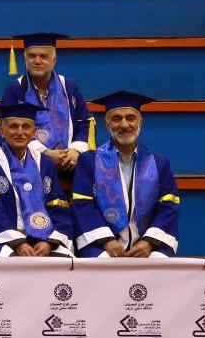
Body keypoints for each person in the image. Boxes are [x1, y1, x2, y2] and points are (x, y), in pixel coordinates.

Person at [71, 91, 180, 258]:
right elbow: (83, 204)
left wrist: (148, 242)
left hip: (148, 244)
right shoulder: (89, 161)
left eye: (130, 118)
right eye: (116, 119)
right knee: (101, 262)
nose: (124, 125)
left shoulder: (159, 164)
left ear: (140, 123)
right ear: (107, 125)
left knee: (159, 261)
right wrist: (107, 240)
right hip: (101, 243)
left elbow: (168, 206)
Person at [0, 102, 76, 257]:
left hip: (44, 237)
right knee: (12, 261)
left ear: (34, 132)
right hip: (4, 239)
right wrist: (17, 242)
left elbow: (57, 205)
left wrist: (49, 242)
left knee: (63, 261)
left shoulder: (45, 163)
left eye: (26, 127)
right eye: (13, 127)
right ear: (2, 131)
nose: (20, 132)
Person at [0, 31, 93, 173]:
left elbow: (85, 123)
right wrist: (45, 153)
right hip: (30, 163)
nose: (37, 61)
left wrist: (75, 150)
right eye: (32, 56)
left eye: (43, 56)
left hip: (70, 161)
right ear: (25, 58)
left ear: (54, 60)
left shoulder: (69, 86)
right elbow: (9, 130)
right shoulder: (15, 89)